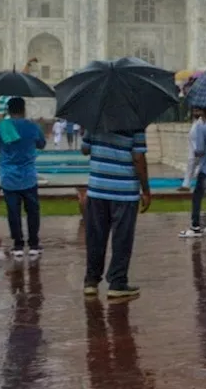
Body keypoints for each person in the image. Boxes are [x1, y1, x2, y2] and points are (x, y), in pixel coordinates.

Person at [82, 127, 152, 299]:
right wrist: (146, 190)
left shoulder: (95, 120)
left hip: (98, 188)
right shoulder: (135, 124)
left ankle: (91, 281)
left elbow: (85, 150)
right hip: (125, 191)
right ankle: (117, 282)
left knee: (95, 237)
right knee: (122, 237)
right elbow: (138, 158)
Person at [0, 97, 46, 258]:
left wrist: (0, 129)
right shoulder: (32, 126)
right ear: (24, 109)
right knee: (33, 211)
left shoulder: (1, 127)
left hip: (9, 177)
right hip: (28, 176)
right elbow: (41, 144)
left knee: (13, 212)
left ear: (8, 110)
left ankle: (18, 245)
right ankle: (34, 244)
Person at [181, 108, 206, 237]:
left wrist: (197, 154)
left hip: (205, 168)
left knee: (197, 198)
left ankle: (195, 226)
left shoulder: (201, 128)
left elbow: (199, 150)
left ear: (203, 113)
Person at [181, 108, 203, 191]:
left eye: (197, 111)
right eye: (194, 111)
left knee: (199, 168)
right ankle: (186, 185)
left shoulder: (201, 123)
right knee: (191, 167)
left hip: (198, 149)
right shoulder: (195, 122)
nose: (195, 113)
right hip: (193, 149)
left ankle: (196, 185)